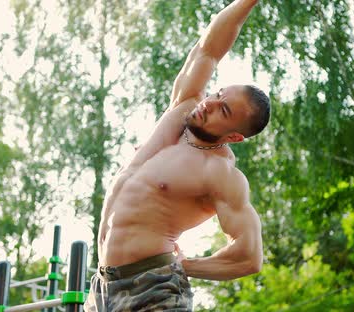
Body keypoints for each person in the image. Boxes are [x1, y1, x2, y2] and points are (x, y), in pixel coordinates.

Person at [85, 0, 270, 311]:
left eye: (222, 110)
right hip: (103, 287)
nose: (210, 103)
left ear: (234, 136)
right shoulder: (181, 111)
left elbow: (249, 255)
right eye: (218, 93)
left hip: (155, 291)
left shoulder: (220, 173)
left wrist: (186, 266)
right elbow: (209, 50)